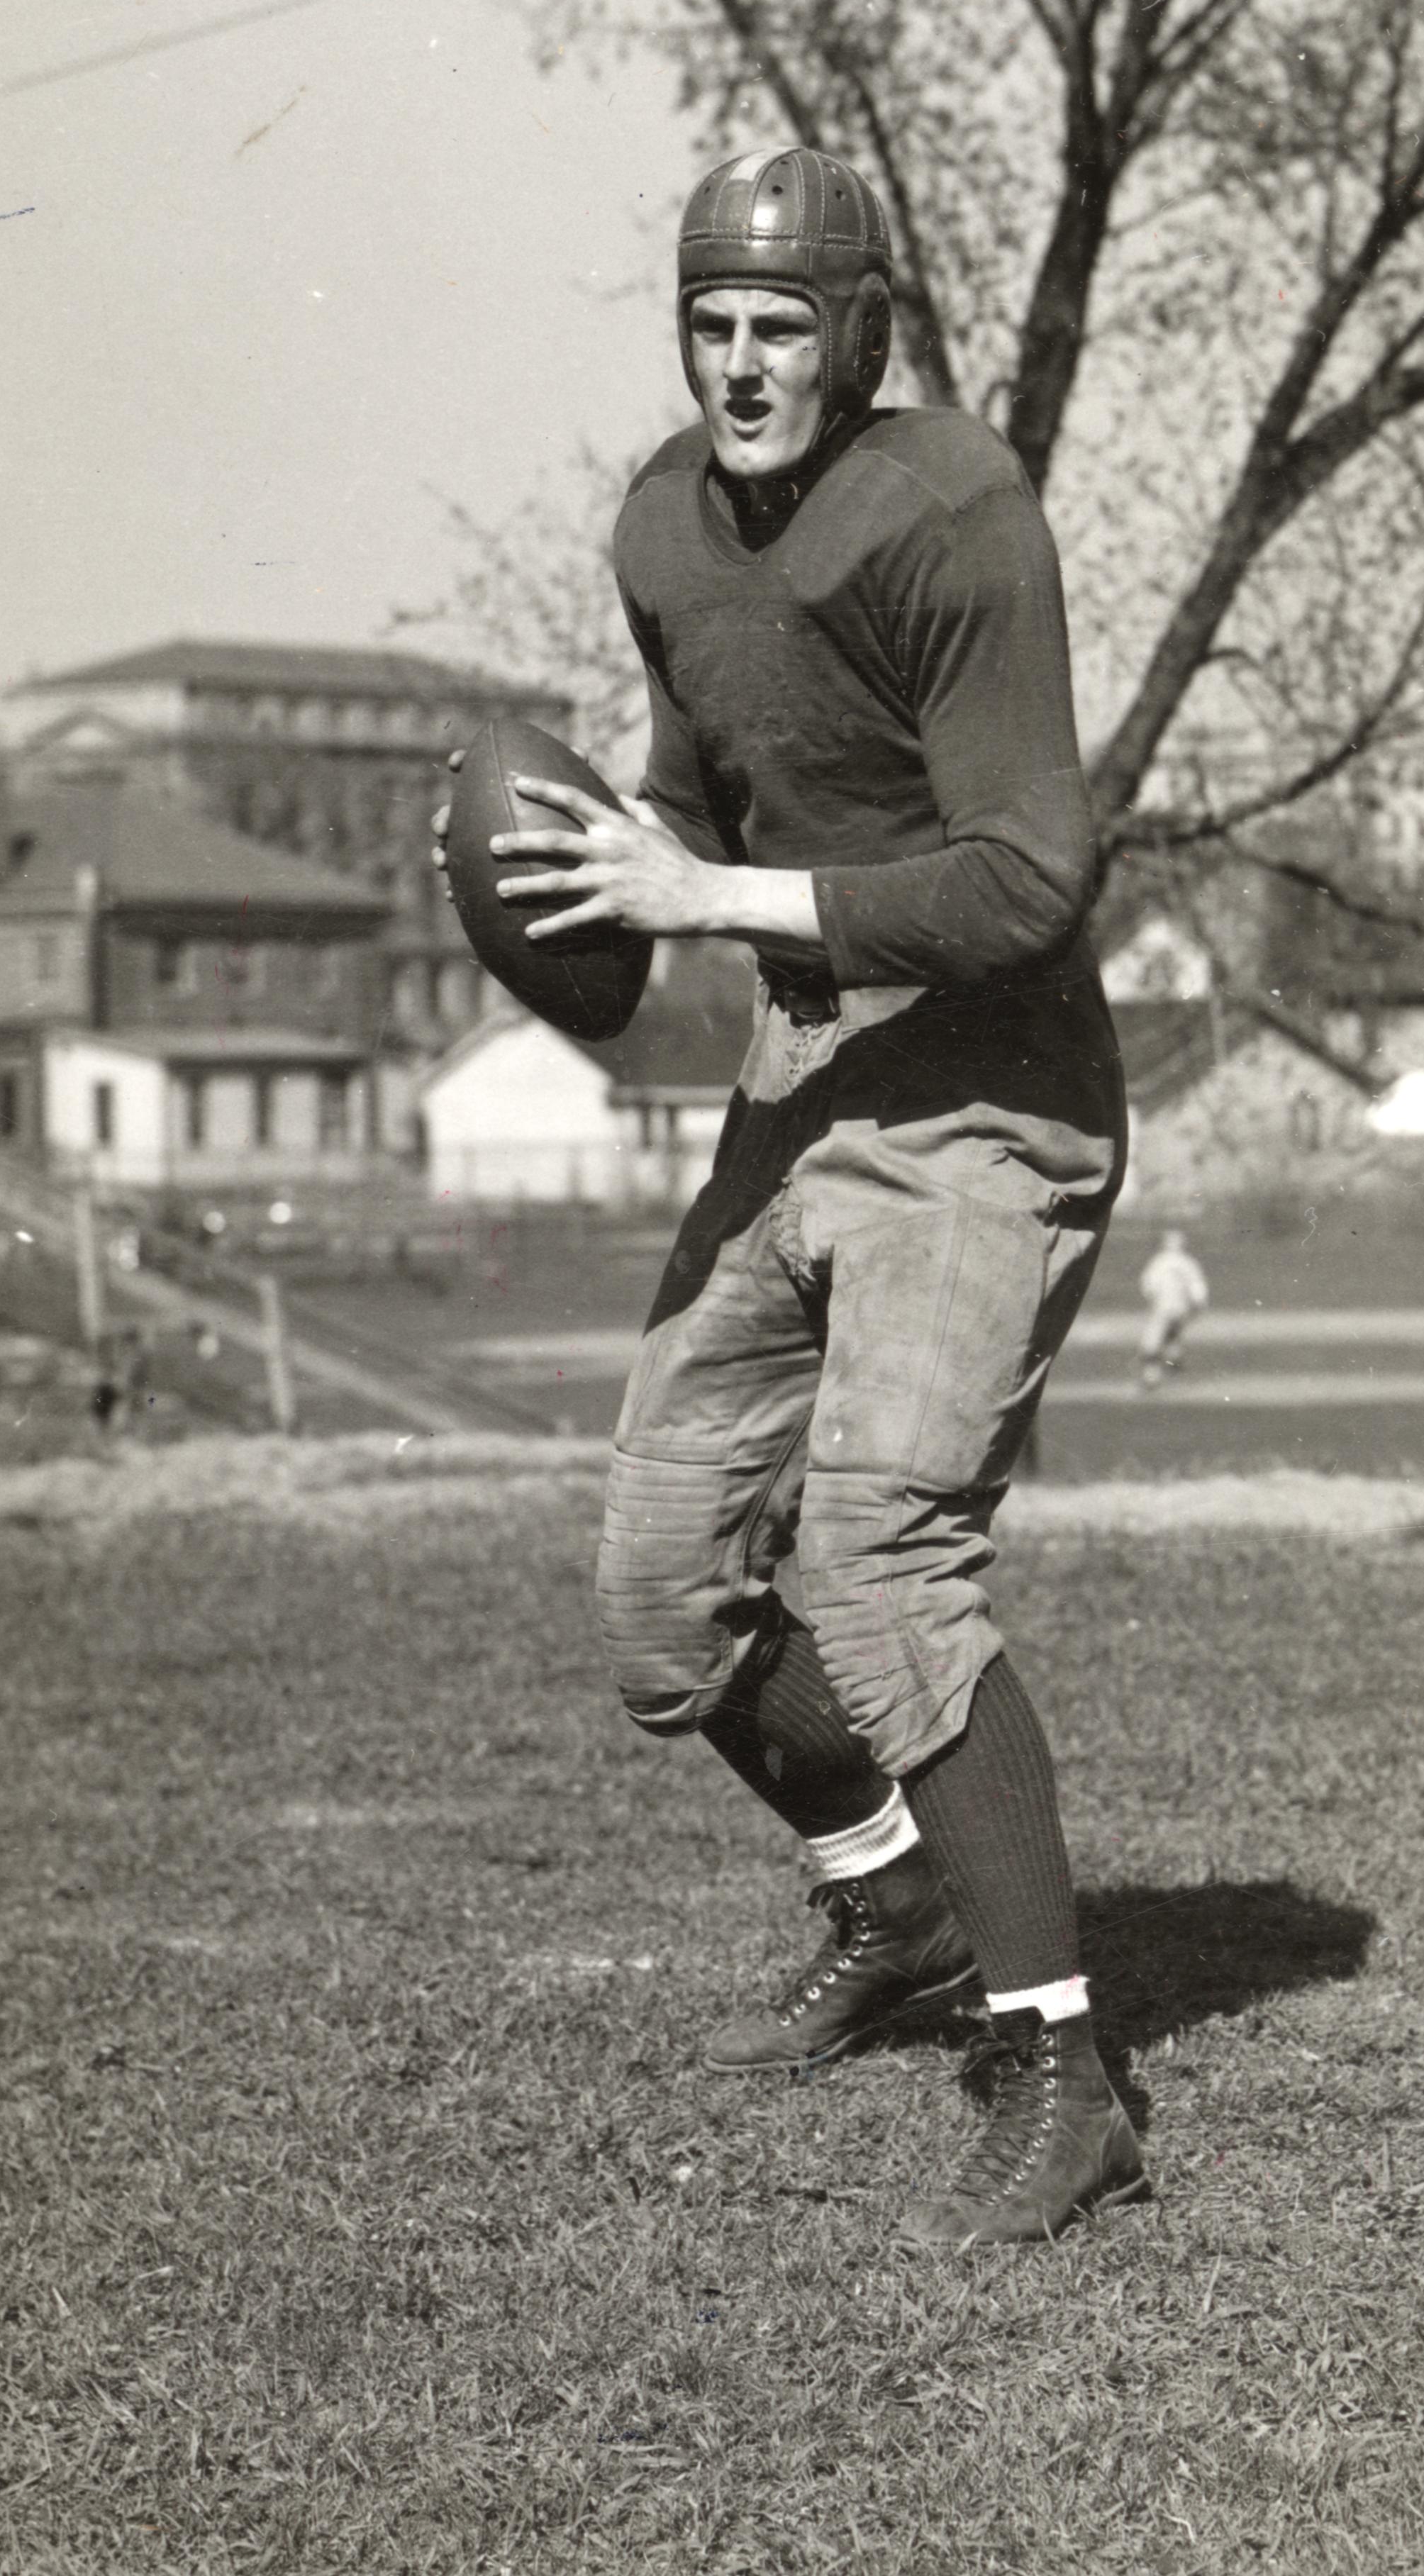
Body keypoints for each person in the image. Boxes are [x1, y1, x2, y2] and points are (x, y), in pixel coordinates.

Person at [445, 147, 1146, 2246]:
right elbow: (685, 792)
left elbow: (1030, 876)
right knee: (659, 1590)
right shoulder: (663, 516)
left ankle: (1058, 2064)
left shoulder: (952, 510)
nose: (740, 365)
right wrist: (561, 855)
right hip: (797, 1081)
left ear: (856, 333)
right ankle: (895, 1900)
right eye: (710, 324)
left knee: (878, 1556)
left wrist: (716, 893)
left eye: (780, 327)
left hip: (983, 1105)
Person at [1137, 1227, 1209, 1391]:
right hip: (1181, 1308)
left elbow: (1148, 1285)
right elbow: (1198, 1288)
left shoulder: (1159, 1261)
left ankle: (1152, 1378)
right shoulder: (1188, 1262)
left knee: (1153, 1341)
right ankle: (1174, 1375)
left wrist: (1153, 1299)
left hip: (1163, 1307)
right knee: (1172, 1339)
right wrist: (1198, 1306)